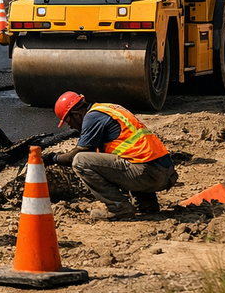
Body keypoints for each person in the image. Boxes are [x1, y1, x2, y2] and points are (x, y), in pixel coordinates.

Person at [44, 92, 178, 220]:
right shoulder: (107, 109)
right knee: (122, 158)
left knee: (80, 161)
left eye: (69, 122)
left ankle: (119, 208)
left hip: (148, 174)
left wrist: (51, 158)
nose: (71, 127)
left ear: (76, 114)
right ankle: (147, 204)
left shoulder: (91, 118)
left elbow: (76, 155)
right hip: (165, 174)